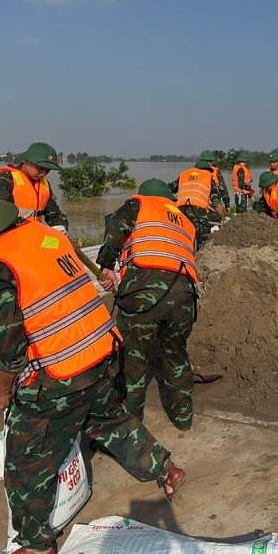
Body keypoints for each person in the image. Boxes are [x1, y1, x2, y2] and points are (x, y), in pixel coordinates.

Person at [0, 186, 185, 554]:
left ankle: (36, 545)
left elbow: (9, 346)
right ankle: (165, 469)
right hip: (99, 352)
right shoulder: (45, 233)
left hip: (57, 374)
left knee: (26, 461)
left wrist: (1, 391)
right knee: (110, 420)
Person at [96, 179, 198, 431]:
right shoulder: (185, 220)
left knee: (134, 357)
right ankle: (183, 418)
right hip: (184, 293)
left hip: (144, 288)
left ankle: (131, 426)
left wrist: (106, 265)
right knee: (176, 355)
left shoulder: (138, 205)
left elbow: (115, 226)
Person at [0, 142, 68, 233]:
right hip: (8, 235)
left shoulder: (44, 184)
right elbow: (3, 212)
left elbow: (53, 213)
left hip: (32, 235)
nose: (43, 174)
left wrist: (61, 226)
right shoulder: (5, 178)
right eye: (40, 168)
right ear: (27, 161)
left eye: (47, 170)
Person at [168, 157, 224, 250]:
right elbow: (216, 202)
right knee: (203, 239)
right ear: (207, 170)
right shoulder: (208, 177)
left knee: (184, 237)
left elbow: (169, 189)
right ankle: (199, 259)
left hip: (181, 211)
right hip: (198, 212)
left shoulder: (184, 175)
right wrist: (223, 219)